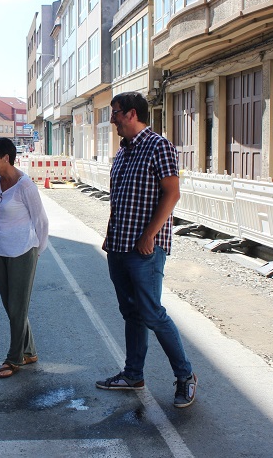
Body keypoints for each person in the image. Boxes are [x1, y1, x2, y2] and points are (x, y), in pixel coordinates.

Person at [95, 92, 198, 408]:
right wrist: (111, 239)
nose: (111, 119)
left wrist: (150, 235)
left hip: (144, 250)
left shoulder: (158, 146)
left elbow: (172, 193)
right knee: (131, 313)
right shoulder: (123, 152)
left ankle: (185, 377)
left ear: (131, 113)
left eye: (115, 113)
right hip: (119, 246)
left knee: (152, 313)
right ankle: (133, 374)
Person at [0, 137, 49, 378]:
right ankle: (29, 350)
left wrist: (37, 252)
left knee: (17, 307)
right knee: (11, 307)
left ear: (6, 158)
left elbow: (41, 222)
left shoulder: (25, 186)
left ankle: (14, 359)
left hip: (23, 252)